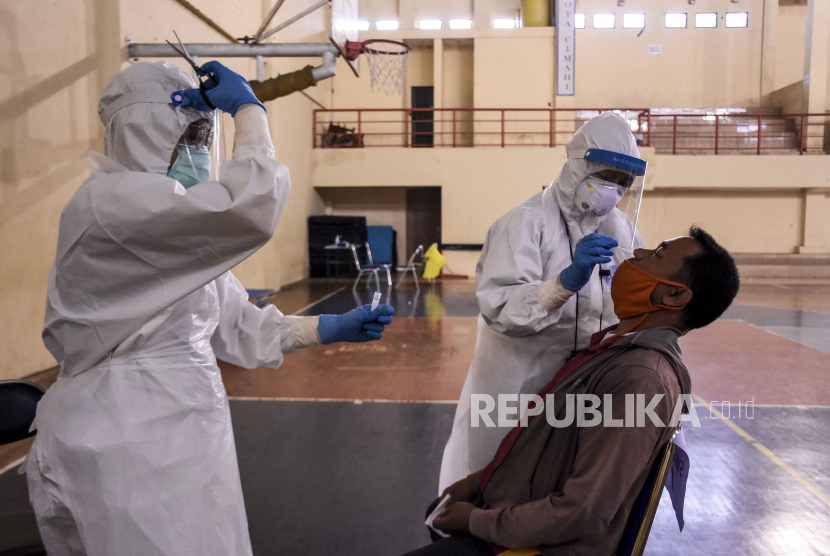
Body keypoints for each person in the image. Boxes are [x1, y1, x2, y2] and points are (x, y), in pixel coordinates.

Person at [26, 61, 394, 556]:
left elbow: (238, 327)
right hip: (124, 435)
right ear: (146, 132)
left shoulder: (173, 234)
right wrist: (249, 111)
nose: (199, 153)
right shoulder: (114, 204)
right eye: (189, 137)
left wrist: (326, 328)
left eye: (204, 137)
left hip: (175, 429)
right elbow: (252, 209)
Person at [404, 227, 740, 556]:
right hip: (518, 518)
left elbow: (585, 510)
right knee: (436, 516)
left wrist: (478, 522)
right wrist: (481, 481)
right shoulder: (612, 351)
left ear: (675, 295)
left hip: (540, 546)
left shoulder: (641, 379)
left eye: (655, 255)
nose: (637, 254)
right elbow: (550, 448)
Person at [439, 112, 648, 492]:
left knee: (560, 481)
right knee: (500, 476)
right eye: (606, 176)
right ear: (578, 165)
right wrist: (564, 283)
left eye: (622, 183)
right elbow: (503, 310)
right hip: (518, 383)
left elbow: (630, 297)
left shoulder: (619, 228)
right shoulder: (524, 223)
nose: (613, 190)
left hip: (582, 384)